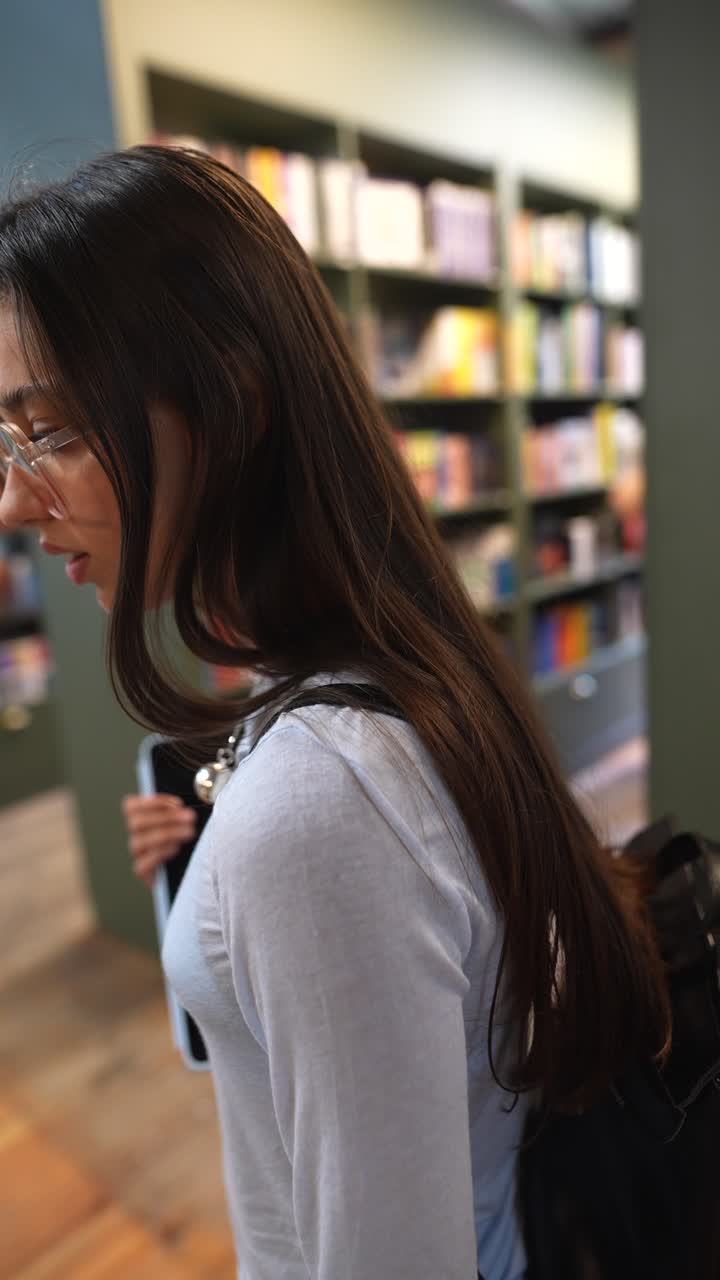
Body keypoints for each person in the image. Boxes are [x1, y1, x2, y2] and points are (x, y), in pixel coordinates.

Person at [0, 145, 669, 1280]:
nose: (15, 499)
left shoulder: (322, 806)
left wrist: (261, 863)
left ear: (230, 403)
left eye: (52, 429)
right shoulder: (388, 677)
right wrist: (224, 897)